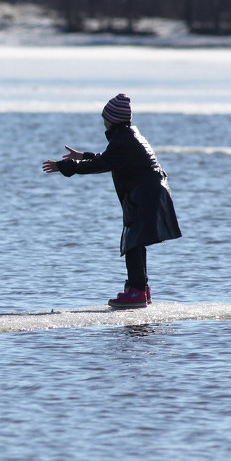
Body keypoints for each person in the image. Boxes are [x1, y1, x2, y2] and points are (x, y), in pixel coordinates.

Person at [42, 93, 181, 308]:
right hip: (148, 193)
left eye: (105, 118)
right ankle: (141, 289)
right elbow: (109, 158)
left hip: (145, 194)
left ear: (113, 119)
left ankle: (136, 292)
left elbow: (103, 164)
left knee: (133, 242)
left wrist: (66, 167)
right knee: (136, 241)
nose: (103, 122)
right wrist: (83, 156)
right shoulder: (128, 136)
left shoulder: (123, 139)